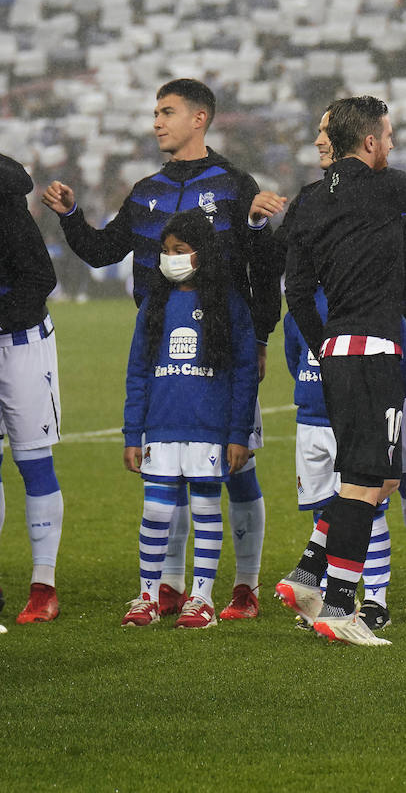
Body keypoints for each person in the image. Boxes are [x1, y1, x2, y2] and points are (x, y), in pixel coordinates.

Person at [41, 78, 280, 621]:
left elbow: (264, 268)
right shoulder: (146, 189)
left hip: (221, 345)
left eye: (166, 112)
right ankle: (169, 586)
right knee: (165, 466)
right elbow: (103, 252)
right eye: (155, 113)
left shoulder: (235, 183)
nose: (156, 122)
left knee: (234, 465)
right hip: (161, 347)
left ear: (200, 118)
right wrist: (72, 217)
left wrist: (261, 337)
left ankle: (244, 584)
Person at [274, 95, 406, 646]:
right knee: (364, 484)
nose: (392, 144)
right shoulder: (384, 187)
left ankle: (309, 573)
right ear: (372, 142)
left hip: (335, 354)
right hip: (376, 354)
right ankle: (338, 607)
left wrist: (323, 345)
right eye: (390, 136)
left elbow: (299, 293)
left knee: (376, 475)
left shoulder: (308, 201)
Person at [120, 210, 258, 628]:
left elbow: (244, 373)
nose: (171, 259)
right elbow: (138, 371)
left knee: (204, 508)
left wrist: (238, 435)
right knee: (157, 512)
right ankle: (146, 595)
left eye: (180, 251)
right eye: (165, 251)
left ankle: (201, 599)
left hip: (207, 430)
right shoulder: (154, 304)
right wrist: (132, 433)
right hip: (161, 428)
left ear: (203, 254)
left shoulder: (228, 304)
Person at [0, 154, 64, 624]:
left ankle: (43, 584)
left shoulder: (6, 200)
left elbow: (42, 278)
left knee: (32, 459)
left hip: (21, 340)